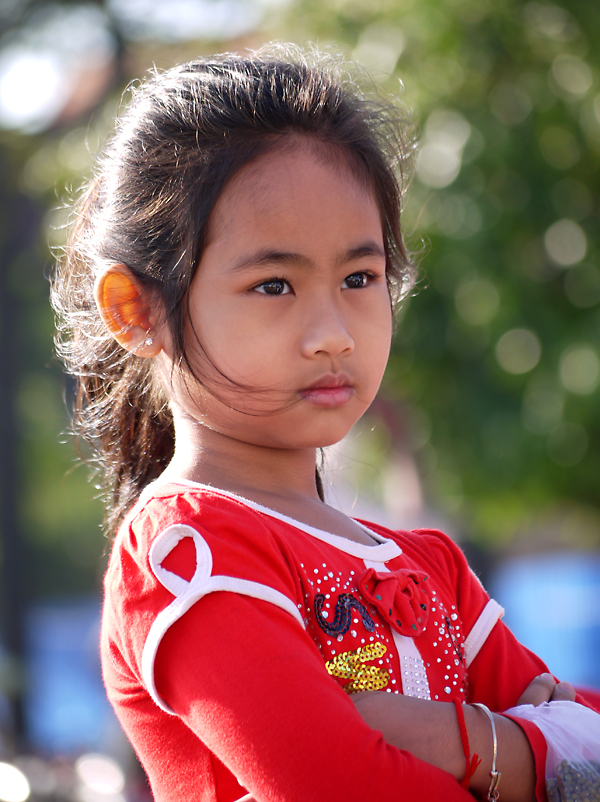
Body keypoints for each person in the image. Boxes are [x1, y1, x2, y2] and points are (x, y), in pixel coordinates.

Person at [51, 47, 596, 802]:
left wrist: (455, 740)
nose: (334, 332)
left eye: (359, 278)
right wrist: (534, 752)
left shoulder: (428, 566)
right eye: (274, 284)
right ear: (137, 311)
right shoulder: (188, 548)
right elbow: (342, 785)